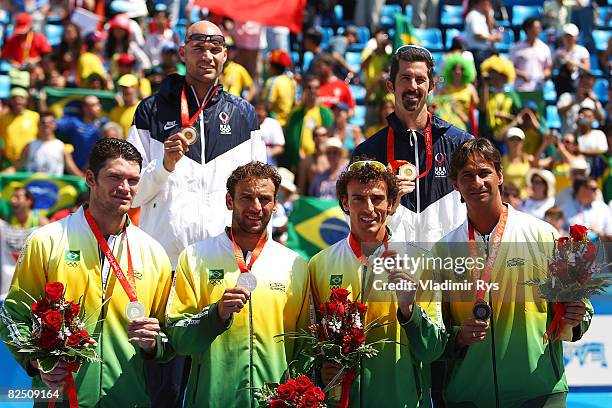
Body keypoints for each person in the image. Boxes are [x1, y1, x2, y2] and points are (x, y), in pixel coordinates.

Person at [127, 21, 266, 406]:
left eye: (215, 48)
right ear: (183, 52)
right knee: (164, 387)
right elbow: (131, 193)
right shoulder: (151, 111)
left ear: (226, 56)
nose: (207, 55)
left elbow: (262, 193)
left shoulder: (244, 115)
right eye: (198, 46)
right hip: (165, 269)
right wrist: (165, 164)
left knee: (219, 386)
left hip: (222, 270)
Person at [0, 138, 174, 407]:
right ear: (90, 178)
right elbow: (12, 315)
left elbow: (167, 334)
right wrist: (36, 360)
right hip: (58, 399)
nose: (125, 188)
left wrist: (154, 343)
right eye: (115, 177)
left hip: (128, 399)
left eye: (133, 180)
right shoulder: (46, 241)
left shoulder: (153, 252)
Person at [438, 137, 592, 407]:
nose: (477, 182)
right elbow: (435, 329)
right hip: (470, 396)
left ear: (500, 175)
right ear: (455, 185)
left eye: (484, 172)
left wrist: (576, 315)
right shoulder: (445, 249)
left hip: (539, 392)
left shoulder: (541, 234)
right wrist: (458, 337)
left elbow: (581, 309)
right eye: (467, 175)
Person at [166, 162, 310, 407]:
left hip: (275, 402)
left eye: (264, 199)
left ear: (276, 204)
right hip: (212, 400)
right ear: (229, 201)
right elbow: (178, 338)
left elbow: (304, 345)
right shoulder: (194, 258)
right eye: (246, 197)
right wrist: (216, 314)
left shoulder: (294, 264)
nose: (256, 207)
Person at [309, 159, 444, 406]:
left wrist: (409, 311)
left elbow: (433, 350)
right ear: (344, 203)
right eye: (358, 198)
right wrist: (320, 370)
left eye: (378, 198)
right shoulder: (320, 265)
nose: (369, 208)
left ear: (391, 203)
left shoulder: (420, 261)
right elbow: (310, 346)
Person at [353, 45, 472, 244]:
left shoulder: (460, 144)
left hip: (447, 265)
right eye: (405, 78)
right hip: (392, 264)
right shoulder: (367, 154)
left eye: (420, 80)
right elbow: (356, 220)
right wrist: (388, 201)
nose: (413, 87)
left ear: (431, 86)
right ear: (391, 86)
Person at [280, 75, 334, 175]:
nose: (312, 91)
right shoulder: (295, 113)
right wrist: (299, 154)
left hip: (319, 162)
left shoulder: (325, 113)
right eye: (309, 88)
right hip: (299, 163)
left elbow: (329, 136)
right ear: (304, 90)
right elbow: (291, 138)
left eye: (316, 88)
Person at [3, 111, 83, 177]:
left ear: (54, 125)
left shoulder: (61, 146)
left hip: (53, 188)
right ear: (38, 125)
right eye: (43, 123)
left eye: (49, 123)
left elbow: (72, 169)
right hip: (32, 188)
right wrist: (3, 174)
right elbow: (17, 167)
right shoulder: (30, 145)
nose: (46, 125)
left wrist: (84, 179)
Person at [56, 95, 109, 171]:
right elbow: (51, 124)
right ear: (85, 108)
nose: (99, 107)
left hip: (100, 170)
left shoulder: (105, 123)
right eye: (94, 105)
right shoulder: (74, 123)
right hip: (78, 171)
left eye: (98, 104)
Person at [432, 54, 479, 131]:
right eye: (454, 68)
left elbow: (477, 108)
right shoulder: (445, 88)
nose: (457, 71)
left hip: (463, 122)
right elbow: (436, 103)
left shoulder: (470, 88)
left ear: (466, 71)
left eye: (461, 69)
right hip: (445, 122)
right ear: (450, 70)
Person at [560, 176, 612, 241]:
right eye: (594, 189)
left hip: (599, 248)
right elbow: (557, 232)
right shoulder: (564, 209)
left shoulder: (603, 208)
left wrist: (599, 233)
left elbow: (610, 235)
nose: (597, 191)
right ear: (582, 189)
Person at [509, 18, 552, 93]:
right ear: (528, 29)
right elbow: (509, 67)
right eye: (536, 28)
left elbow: (548, 68)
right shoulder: (516, 48)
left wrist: (544, 75)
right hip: (520, 89)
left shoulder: (545, 48)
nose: (539, 30)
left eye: (539, 28)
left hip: (538, 90)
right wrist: (521, 74)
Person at [0, 87, 40, 168]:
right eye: (14, 98)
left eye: (21, 98)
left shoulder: (35, 116)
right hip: (9, 162)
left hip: (31, 160)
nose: (18, 101)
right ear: (10, 101)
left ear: (26, 100)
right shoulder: (3, 118)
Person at [262, 49, 296, 126]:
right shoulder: (291, 81)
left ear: (272, 66)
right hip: (288, 124)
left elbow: (267, 106)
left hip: (275, 124)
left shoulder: (272, 82)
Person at [501, 127, 534, 198]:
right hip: (507, 199)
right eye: (512, 139)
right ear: (507, 141)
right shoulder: (501, 160)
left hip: (525, 201)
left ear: (522, 142)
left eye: (518, 140)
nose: (515, 142)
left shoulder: (529, 159)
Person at [252, 98, 285, 167]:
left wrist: (265, 155)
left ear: (266, 112)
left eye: (260, 109)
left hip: (269, 165)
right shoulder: (246, 124)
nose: (258, 113)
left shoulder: (273, 124)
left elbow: (280, 148)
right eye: (256, 109)